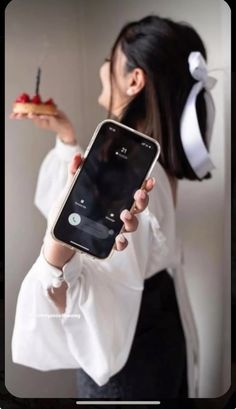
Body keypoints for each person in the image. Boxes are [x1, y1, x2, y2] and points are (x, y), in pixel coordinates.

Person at [11, 15, 216, 399]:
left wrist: (55, 269)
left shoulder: (120, 169)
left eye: (110, 58)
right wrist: (69, 138)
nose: (104, 67)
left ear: (134, 80)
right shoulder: (155, 161)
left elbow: (81, 294)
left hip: (128, 358)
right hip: (163, 332)